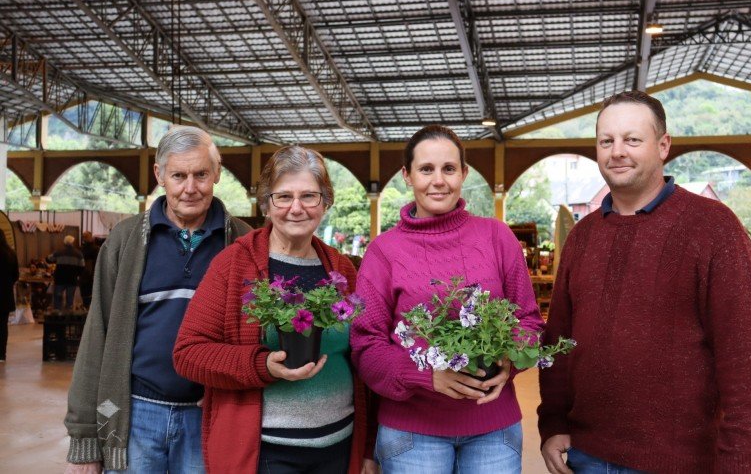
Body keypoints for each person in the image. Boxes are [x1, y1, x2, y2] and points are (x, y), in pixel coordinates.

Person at [538, 90, 751, 473]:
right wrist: (554, 422)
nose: (617, 152)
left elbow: (742, 359)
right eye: (606, 141)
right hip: (587, 455)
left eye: (632, 139)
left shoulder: (713, 227)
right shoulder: (582, 236)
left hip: (682, 461)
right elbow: (558, 342)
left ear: (663, 146)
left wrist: (742, 462)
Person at [350, 125, 544, 473]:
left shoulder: (497, 237)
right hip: (412, 432)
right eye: (426, 169)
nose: (438, 180)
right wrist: (428, 377)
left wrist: (508, 363)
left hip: (493, 429)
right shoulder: (384, 251)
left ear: (464, 173)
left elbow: (530, 322)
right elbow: (366, 346)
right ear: (407, 176)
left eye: (449, 169)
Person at [174, 145, 377, 474]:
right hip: (266, 452)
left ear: (326, 203)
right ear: (266, 204)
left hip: (339, 444)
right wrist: (262, 364)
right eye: (283, 197)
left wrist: (368, 447)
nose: (296, 208)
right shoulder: (234, 264)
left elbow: (362, 359)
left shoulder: (341, 269)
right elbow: (188, 353)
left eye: (309, 196)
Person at [64, 126, 251, 473]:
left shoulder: (244, 243)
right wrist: (85, 438)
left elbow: (255, 339)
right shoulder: (125, 240)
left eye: (201, 174)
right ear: (159, 175)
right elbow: (97, 336)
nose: (190, 188)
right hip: (136, 414)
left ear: (218, 174)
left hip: (209, 414)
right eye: (179, 175)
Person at [47, 235, 85, 313]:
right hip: (72, 279)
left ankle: (57, 316)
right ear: (73, 242)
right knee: (70, 299)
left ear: (64, 242)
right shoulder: (78, 254)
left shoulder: (59, 252)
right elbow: (82, 267)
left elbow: (48, 259)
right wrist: (77, 274)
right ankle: (68, 316)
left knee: (57, 298)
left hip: (60, 279)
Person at [0, 231, 20, 362]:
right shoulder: (11, 254)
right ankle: (2, 354)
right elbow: (16, 276)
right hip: (5, 296)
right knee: (2, 326)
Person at [79, 231, 99, 308]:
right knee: (86, 290)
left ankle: (87, 306)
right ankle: (86, 306)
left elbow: (96, 262)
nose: (84, 238)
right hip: (86, 272)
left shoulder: (92, 248)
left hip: (88, 272)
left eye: (85, 237)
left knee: (87, 290)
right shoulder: (84, 248)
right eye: (84, 237)